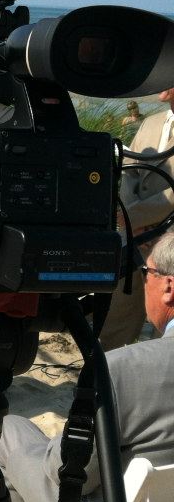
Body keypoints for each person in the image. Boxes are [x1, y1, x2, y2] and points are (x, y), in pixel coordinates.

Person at [0, 230, 174, 502]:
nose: (143, 280)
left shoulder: (118, 369)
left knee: (8, 431)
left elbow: (70, 474)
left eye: (147, 272)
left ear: (169, 288)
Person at [101, 88, 174, 350]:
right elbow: (130, 170)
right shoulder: (151, 123)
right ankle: (105, 379)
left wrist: (136, 217)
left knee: (167, 328)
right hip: (134, 239)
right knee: (117, 318)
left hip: (169, 243)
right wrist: (130, 220)